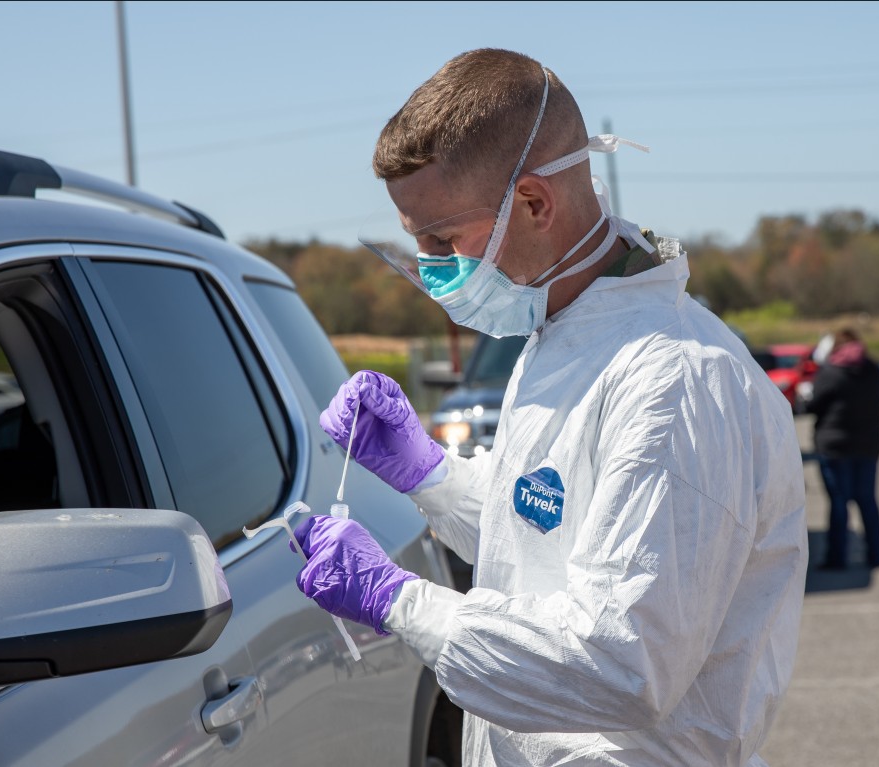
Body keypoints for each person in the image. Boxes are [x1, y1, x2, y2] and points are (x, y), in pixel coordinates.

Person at [295, 50, 807, 767]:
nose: (433, 269)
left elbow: (621, 663)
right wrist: (431, 474)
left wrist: (401, 602)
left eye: (443, 240)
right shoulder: (562, 333)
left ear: (535, 203)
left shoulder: (675, 383)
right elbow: (552, 538)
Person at [801, 328, 879, 570]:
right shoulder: (872, 370)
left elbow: (814, 404)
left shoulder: (830, 372)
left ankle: (837, 558)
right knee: (868, 500)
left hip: (835, 445)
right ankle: (876, 555)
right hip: (869, 444)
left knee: (839, 502)